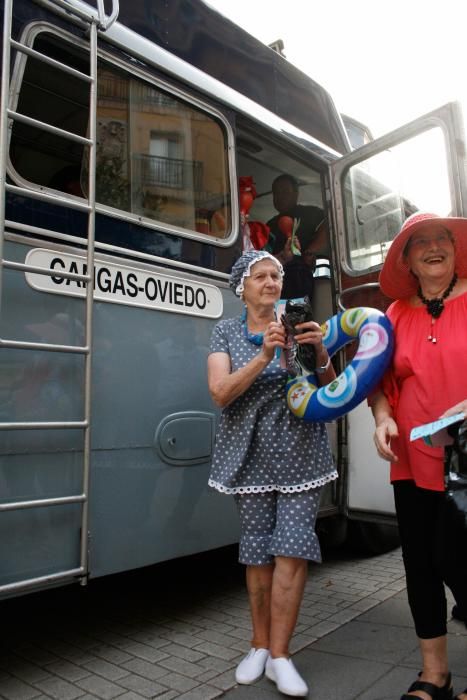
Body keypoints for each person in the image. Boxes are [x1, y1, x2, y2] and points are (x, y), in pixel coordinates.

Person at [207, 250, 337, 697]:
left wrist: (318, 349)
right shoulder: (225, 331)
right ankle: (258, 644)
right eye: (260, 276)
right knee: (258, 554)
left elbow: (329, 387)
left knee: (292, 551)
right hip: (251, 456)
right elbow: (220, 393)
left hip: (301, 451)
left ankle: (281, 655)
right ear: (241, 287)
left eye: (276, 275)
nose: (270, 282)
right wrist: (264, 356)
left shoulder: (297, 327)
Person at [369, 212, 467, 700]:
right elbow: (378, 383)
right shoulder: (395, 314)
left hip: (466, 462)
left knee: (460, 560)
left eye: (441, 238)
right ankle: (436, 676)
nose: (433, 247)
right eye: (420, 241)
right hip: (410, 458)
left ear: (454, 248)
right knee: (420, 565)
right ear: (407, 258)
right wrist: (383, 418)